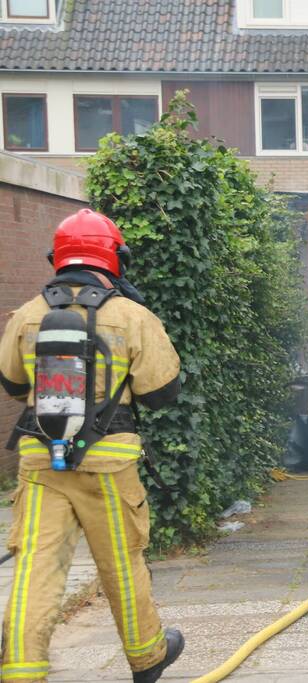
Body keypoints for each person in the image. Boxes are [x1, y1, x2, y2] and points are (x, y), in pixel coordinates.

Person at [0, 209, 185, 682]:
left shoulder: (27, 315)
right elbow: (162, 391)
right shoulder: (130, 315)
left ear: (56, 259)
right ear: (115, 257)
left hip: (41, 462)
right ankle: (147, 658)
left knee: (35, 567)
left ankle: (20, 668)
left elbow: (12, 385)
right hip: (108, 464)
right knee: (121, 562)